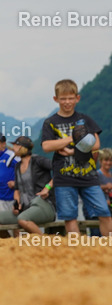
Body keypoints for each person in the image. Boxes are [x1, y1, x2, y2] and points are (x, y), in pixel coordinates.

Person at [40, 79, 112, 236]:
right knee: (70, 217)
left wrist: (72, 152)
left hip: (89, 176)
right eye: (63, 98)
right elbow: (46, 146)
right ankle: (77, 249)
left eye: (71, 98)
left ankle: (109, 247)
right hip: (63, 177)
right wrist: (73, 138)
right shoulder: (50, 122)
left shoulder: (85, 120)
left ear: (77, 98)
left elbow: (96, 145)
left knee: (104, 212)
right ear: (56, 99)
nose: (67, 102)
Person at [0, 136, 55, 235]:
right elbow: (17, 189)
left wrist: (47, 187)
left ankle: (47, 242)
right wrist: (17, 204)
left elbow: (59, 171)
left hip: (44, 205)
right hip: (25, 209)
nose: (13, 148)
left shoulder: (38, 160)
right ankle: (10, 242)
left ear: (23, 148)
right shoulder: (18, 166)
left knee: (23, 219)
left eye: (15, 146)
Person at [0, 134, 19, 213]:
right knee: (2, 219)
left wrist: (16, 183)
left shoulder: (11, 155)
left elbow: (24, 168)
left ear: (3, 144)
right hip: (1, 197)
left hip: (12, 196)